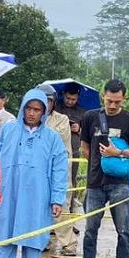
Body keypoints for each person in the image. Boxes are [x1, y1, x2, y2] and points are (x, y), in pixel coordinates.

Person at [0, 89, 67, 258]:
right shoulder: (8, 131)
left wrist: (57, 199)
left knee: (33, 244)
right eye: (29, 108)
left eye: (37, 109)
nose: (32, 113)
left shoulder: (52, 139)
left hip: (38, 198)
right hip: (8, 196)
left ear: (44, 112)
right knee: (5, 242)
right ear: (23, 108)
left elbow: (60, 170)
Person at [79, 79, 129, 258]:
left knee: (123, 229)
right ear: (103, 96)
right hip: (95, 182)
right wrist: (97, 165)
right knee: (90, 228)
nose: (113, 105)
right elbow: (84, 147)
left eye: (117, 101)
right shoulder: (90, 117)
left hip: (120, 183)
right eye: (109, 101)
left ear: (124, 99)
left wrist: (118, 153)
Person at [35, 83, 75, 255]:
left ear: (53, 102)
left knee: (61, 206)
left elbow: (53, 139)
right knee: (37, 206)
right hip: (37, 170)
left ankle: (69, 243)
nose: (45, 103)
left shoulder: (62, 119)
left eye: (49, 100)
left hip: (58, 171)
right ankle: (40, 240)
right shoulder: (29, 120)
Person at [55, 82, 88, 214]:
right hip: (55, 149)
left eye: (73, 99)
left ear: (78, 98)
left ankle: (69, 215)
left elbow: (87, 133)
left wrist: (79, 129)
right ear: (63, 95)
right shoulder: (55, 108)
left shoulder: (83, 112)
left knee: (71, 181)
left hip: (73, 150)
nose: (70, 101)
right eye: (67, 98)